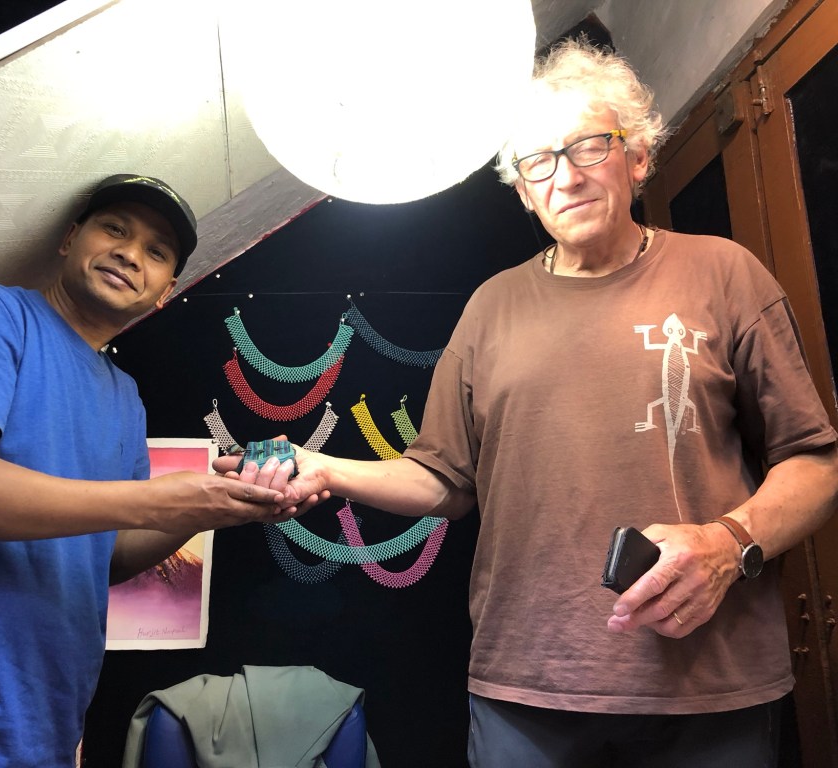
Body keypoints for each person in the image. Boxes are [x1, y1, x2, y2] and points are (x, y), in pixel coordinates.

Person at [217, 41, 838, 766]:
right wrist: (321, 467)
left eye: (589, 146)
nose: (565, 175)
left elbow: (816, 464)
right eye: (538, 161)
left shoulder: (724, 274)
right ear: (521, 191)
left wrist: (730, 542)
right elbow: (443, 479)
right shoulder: (491, 307)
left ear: (638, 157)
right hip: (528, 689)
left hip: (711, 685)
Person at [0, 174, 306, 765]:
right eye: (115, 229)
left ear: (165, 292)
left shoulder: (124, 396)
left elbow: (109, 555)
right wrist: (163, 499)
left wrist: (214, 504)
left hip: (38, 727)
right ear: (70, 239)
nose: (130, 254)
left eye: (156, 252)